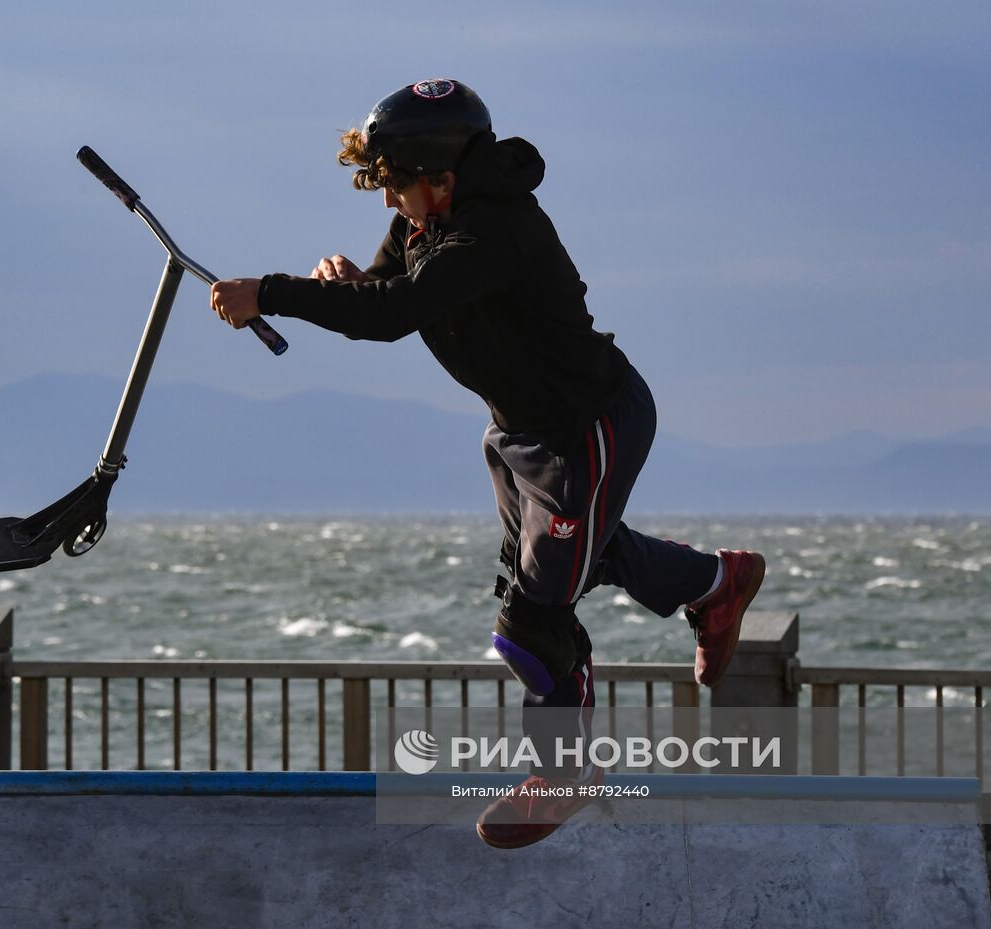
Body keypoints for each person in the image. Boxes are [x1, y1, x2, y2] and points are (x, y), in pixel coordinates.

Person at [210, 79, 766, 849]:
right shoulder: (423, 225)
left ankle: (564, 772)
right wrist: (340, 283)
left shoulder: (496, 231)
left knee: (532, 622)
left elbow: (395, 316)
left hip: (587, 428)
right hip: (518, 440)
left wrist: (270, 292)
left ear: (440, 176)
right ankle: (715, 583)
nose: (387, 204)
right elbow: (385, 292)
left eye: (394, 185)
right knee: (578, 564)